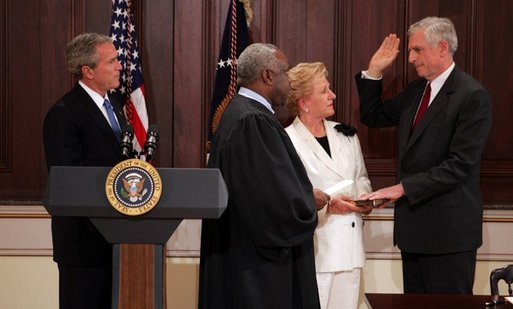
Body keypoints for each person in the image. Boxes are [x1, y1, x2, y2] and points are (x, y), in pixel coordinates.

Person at [199, 43, 347, 309]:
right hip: (258, 270)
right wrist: (306, 201)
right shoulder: (252, 121)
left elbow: (260, 188)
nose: (289, 80)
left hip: (241, 257)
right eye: (285, 72)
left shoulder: (238, 113)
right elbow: (269, 202)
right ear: (268, 76)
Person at [354, 17, 492, 294]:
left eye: (417, 50)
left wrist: (403, 188)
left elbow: (460, 165)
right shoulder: (416, 90)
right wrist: (373, 72)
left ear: (442, 48)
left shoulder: (472, 95)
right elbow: (373, 116)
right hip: (413, 233)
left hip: (449, 236)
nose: (410, 58)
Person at [43, 33, 126, 308]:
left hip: (116, 241)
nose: (119, 66)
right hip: (83, 246)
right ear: (88, 71)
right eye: (112, 61)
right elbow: (68, 183)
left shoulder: (114, 106)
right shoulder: (64, 113)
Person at [285, 62, 373, 309]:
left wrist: (364, 197)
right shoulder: (287, 141)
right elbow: (290, 197)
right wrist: (329, 207)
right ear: (303, 102)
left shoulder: (346, 134)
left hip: (351, 248)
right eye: (324, 91)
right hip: (315, 250)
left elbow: (361, 177)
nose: (332, 95)